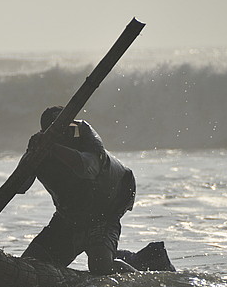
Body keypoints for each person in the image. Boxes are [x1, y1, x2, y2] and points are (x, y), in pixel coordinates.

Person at [18, 106, 138, 274]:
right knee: (28, 268)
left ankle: (143, 280)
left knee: (101, 266)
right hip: (68, 218)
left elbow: (88, 168)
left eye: (69, 128)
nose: (66, 134)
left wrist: (54, 148)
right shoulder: (41, 150)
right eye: (59, 130)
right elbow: (19, 185)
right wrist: (30, 156)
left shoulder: (86, 137)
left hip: (103, 214)